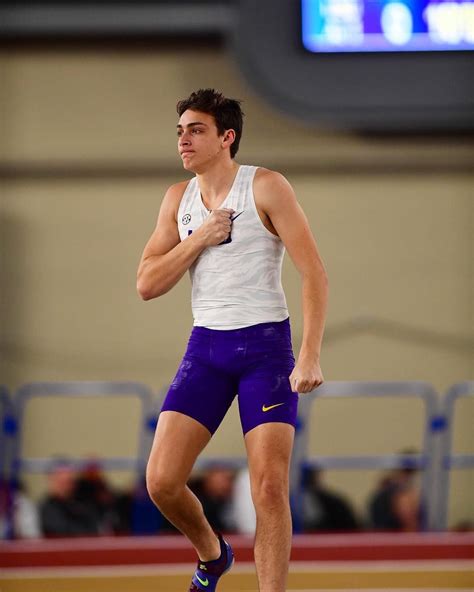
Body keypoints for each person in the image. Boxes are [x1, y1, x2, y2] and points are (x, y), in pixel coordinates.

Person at [137, 88, 328, 592]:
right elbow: (147, 284)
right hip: (207, 349)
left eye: (196, 130)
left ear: (227, 137)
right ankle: (213, 553)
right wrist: (199, 237)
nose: (184, 140)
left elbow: (315, 275)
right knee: (161, 482)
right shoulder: (177, 199)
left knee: (268, 487)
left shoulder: (265, 187)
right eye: (180, 131)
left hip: (266, 351)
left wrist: (308, 353)